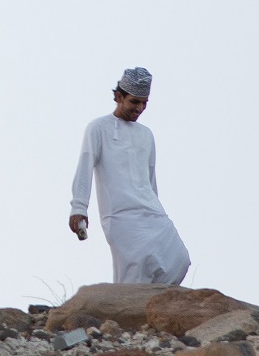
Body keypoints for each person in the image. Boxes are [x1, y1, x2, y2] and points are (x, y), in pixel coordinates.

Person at [68, 67, 191, 285]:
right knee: (136, 266)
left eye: (144, 103)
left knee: (178, 259)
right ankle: (127, 315)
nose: (140, 108)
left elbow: (150, 178)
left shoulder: (146, 134)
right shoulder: (99, 128)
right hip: (120, 214)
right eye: (134, 102)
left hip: (153, 213)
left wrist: (157, 208)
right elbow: (85, 166)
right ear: (118, 97)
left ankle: (156, 310)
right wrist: (79, 208)